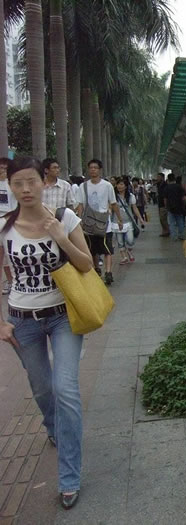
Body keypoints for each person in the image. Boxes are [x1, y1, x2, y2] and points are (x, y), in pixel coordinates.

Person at [0, 157, 93, 510]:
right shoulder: (4, 227)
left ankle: (69, 476)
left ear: (44, 182)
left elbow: (86, 264)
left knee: (64, 388)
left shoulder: (65, 218)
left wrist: (60, 238)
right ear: (10, 186)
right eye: (18, 183)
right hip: (22, 320)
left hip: (63, 316)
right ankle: (55, 428)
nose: (26, 189)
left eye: (32, 181)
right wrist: (1, 322)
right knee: (41, 388)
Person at [75, 159, 122, 285]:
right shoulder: (83, 186)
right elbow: (80, 204)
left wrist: (119, 219)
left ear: (100, 170)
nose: (93, 170)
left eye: (95, 168)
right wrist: (80, 220)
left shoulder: (107, 186)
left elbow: (113, 203)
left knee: (107, 249)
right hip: (89, 223)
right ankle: (96, 269)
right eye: (91, 168)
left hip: (104, 223)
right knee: (92, 249)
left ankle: (108, 272)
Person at [113, 177, 145, 265]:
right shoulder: (113, 197)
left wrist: (141, 219)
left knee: (130, 241)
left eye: (121, 184)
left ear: (126, 186)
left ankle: (128, 250)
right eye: (118, 184)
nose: (119, 186)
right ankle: (124, 257)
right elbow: (110, 208)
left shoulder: (131, 196)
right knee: (120, 241)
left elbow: (135, 209)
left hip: (128, 222)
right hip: (117, 222)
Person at [0, 157, 17, 295]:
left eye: (6, 168)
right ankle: (8, 282)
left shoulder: (13, 184)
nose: (3, 171)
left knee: (11, 253)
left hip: (11, 220)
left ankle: (14, 281)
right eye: (1, 168)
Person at [163, 173, 186, 241]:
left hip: (170, 207)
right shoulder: (179, 187)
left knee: (171, 223)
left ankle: (173, 237)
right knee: (180, 221)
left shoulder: (166, 188)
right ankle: (181, 235)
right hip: (179, 207)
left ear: (168, 179)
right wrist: (185, 205)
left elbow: (165, 199)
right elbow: (184, 198)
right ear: (174, 179)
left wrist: (166, 206)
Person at [156, 173, 169, 237]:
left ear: (162, 177)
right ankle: (165, 230)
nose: (157, 178)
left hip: (163, 204)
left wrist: (166, 204)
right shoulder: (158, 185)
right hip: (160, 203)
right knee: (161, 219)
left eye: (159, 177)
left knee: (163, 218)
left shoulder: (165, 185)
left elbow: (165, 195)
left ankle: (167, 230)